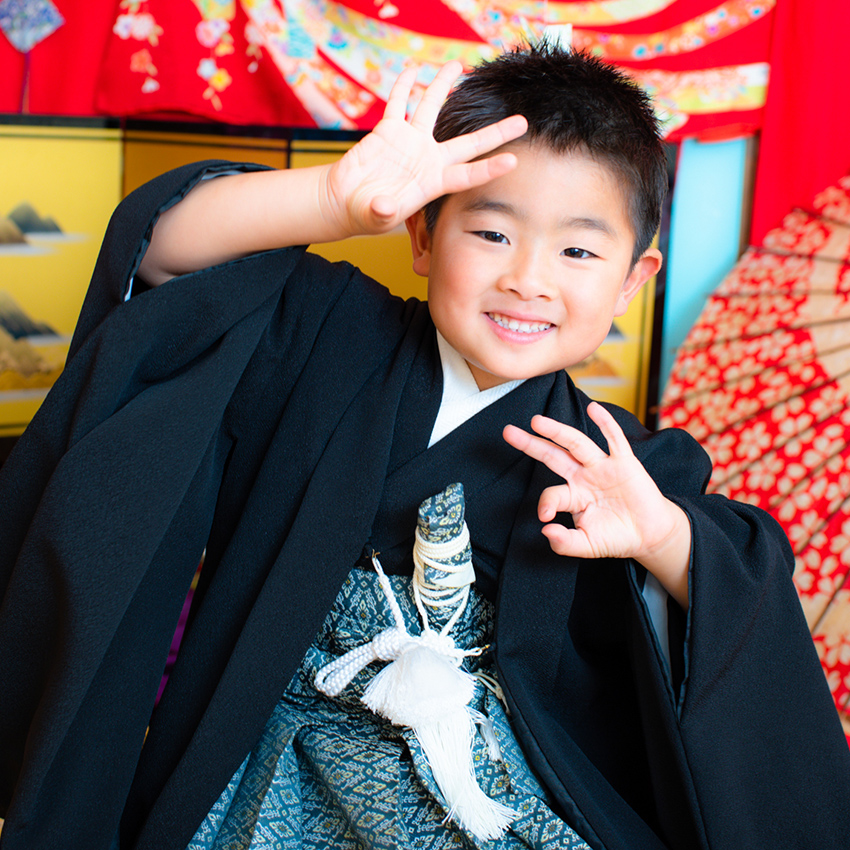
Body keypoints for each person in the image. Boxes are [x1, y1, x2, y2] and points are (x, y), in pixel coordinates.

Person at [1, 41, 849, 850]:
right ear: (421, 236)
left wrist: (661, 538)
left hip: (487, 798)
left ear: (634, 279)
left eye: (578, 249)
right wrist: (327, 199)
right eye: (491, 234)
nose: (527, 278)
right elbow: (163, 257)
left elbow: (738, 598)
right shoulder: (325, 336)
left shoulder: (617, 465)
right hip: (262, 764)